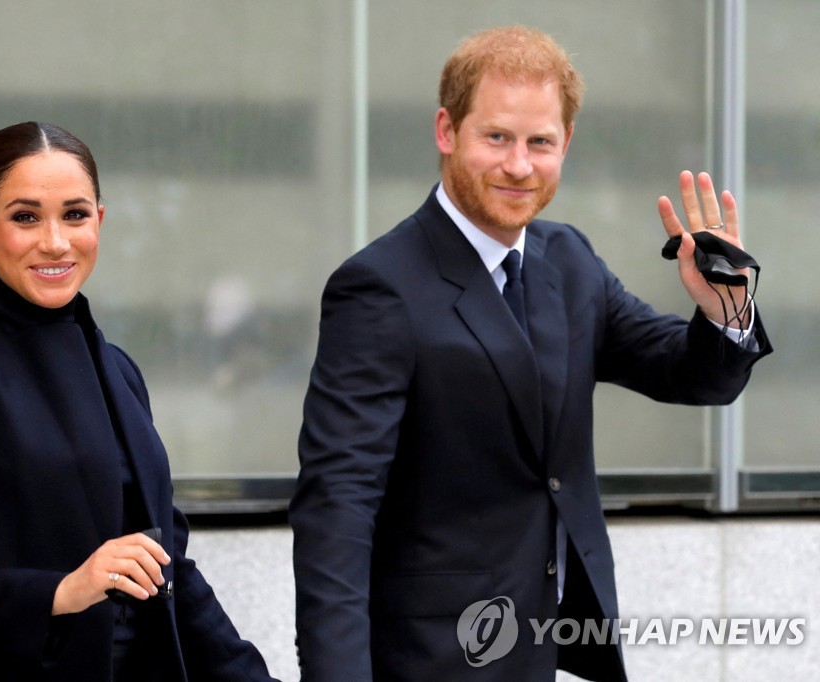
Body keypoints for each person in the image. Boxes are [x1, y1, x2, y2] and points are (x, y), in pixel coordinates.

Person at [289, 25, 772, 682]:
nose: (519, 164)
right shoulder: (380, 286)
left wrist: (726, 309)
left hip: (547, 647)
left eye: (540, 142)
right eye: (497, 137)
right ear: (445, 130)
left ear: (565, 143)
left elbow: (687, 374)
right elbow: (337, 506)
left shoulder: (568, 259)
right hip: (432, 660)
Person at [0, 121, 278, 682]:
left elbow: (168, 568)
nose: (55, 241)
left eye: (75, 214)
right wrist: (62, 590)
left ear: (99, 222)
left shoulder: (120, 372)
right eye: (25, 216)